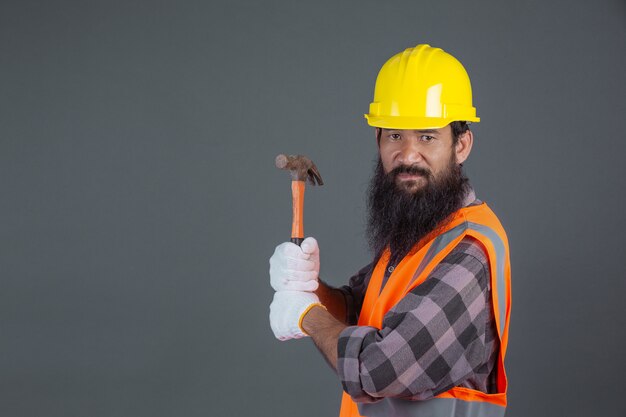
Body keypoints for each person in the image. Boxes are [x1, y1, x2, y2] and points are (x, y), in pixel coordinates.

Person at [269, 44, 511, 417]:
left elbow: (379, 369)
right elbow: (359, 314)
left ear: (461, 145)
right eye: (395, 136)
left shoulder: (469, 253)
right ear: (378, 140)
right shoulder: (418, 236)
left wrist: (306, 315)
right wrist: (310, 287)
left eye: (427, 137)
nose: (408, 155)